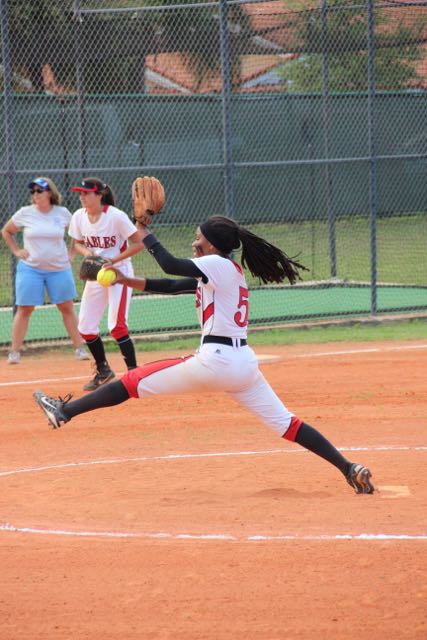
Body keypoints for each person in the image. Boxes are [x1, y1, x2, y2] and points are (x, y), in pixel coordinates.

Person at [33, 215, 374, 494]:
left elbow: (168, 265)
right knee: (288, 423)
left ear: (212, 244)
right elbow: (170, 285)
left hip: (216, 360)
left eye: (198, 236)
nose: (194, 240)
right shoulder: (225, 271)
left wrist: (145, 234)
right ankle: (348, 468)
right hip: (243, 366)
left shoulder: (215, 264)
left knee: (134, 380)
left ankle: (64, 411)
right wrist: (121, 280)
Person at [1, 177, 89, 364]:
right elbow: (6, 231)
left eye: (39, 191)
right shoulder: (25, 213)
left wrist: (72, 254)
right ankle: (14, 352)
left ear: (49, 192)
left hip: (59, 268)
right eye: (32, 191)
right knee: (24, 309)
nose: (35, 195)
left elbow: (77, 233)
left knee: (66, 307)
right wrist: (17, 250)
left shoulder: (62, 213)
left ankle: (80, 348)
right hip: (30, 269)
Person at [68, 177, 144, 391]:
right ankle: (103, 370)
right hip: (97, 274)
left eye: (86, 193)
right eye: (80, 193)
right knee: (85, 327)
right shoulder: (78, 217)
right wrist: (88, 254)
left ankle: (133, 374)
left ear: (99, 195)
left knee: (117, 327)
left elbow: (139, 243)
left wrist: (113, 261)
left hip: (119, 273)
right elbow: (77, 243)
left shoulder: (115, 217)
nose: (82, 197)